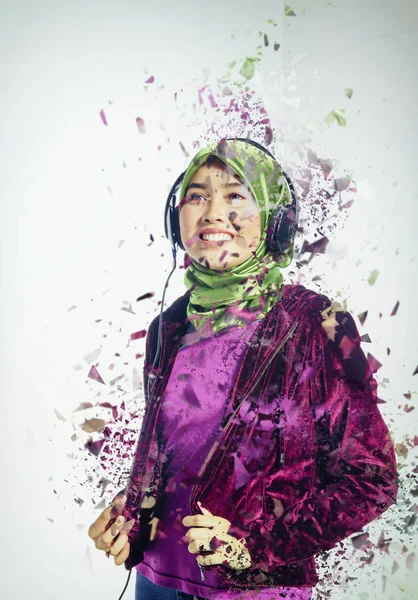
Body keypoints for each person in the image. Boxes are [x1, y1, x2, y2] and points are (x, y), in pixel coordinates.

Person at [88, 138, 398, 600]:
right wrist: (130, 516)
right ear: (179, 218)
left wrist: (254, 544)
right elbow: (170, 463)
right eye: (197, 196)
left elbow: (370, 479)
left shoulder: (316, 324)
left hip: (251, 592)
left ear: (274, 221)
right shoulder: (168, 326)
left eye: (236, 195)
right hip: (156, 582)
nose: (213, 212)